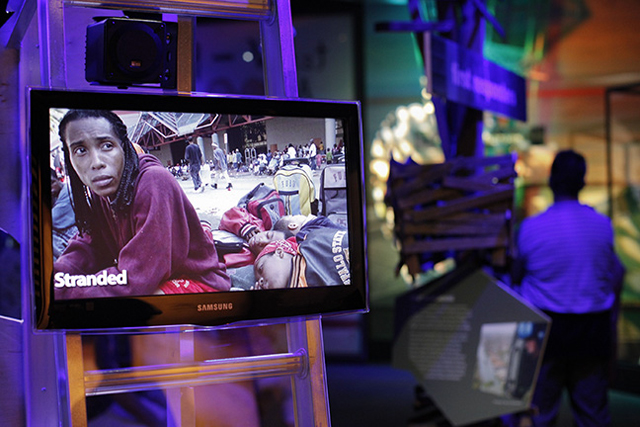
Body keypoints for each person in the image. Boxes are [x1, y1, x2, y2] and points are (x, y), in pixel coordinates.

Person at [53, 109, 231, 299]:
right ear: (69, 159)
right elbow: (88, 246)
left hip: (196, 280)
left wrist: (66, 291)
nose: (96, 163)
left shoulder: (153, 183)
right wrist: (56, 278)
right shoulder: (101, 193)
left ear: (124, 147)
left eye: (106, 146)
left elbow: (135, 281)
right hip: (150, 277)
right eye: (80, 150)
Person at [512, 149, 625, 427]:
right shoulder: (603, 226)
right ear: (582, 182)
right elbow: (615, 273)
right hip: (592, 332)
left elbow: (515, 277)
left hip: (542, 334)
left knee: (539, 416)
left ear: (551, 181)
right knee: (592, 416)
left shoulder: (530, 228)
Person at [253, 215, 349, 289]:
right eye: (257, 280)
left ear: (279, 252)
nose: (260, 282)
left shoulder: (309, 237)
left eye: (261, 269)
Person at [50, 169, 78, 261]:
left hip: (75, 233)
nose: (51, 188)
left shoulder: (68, 191)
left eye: (52, 182)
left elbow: (53, 219)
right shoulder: (55, 195)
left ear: (59, 179)